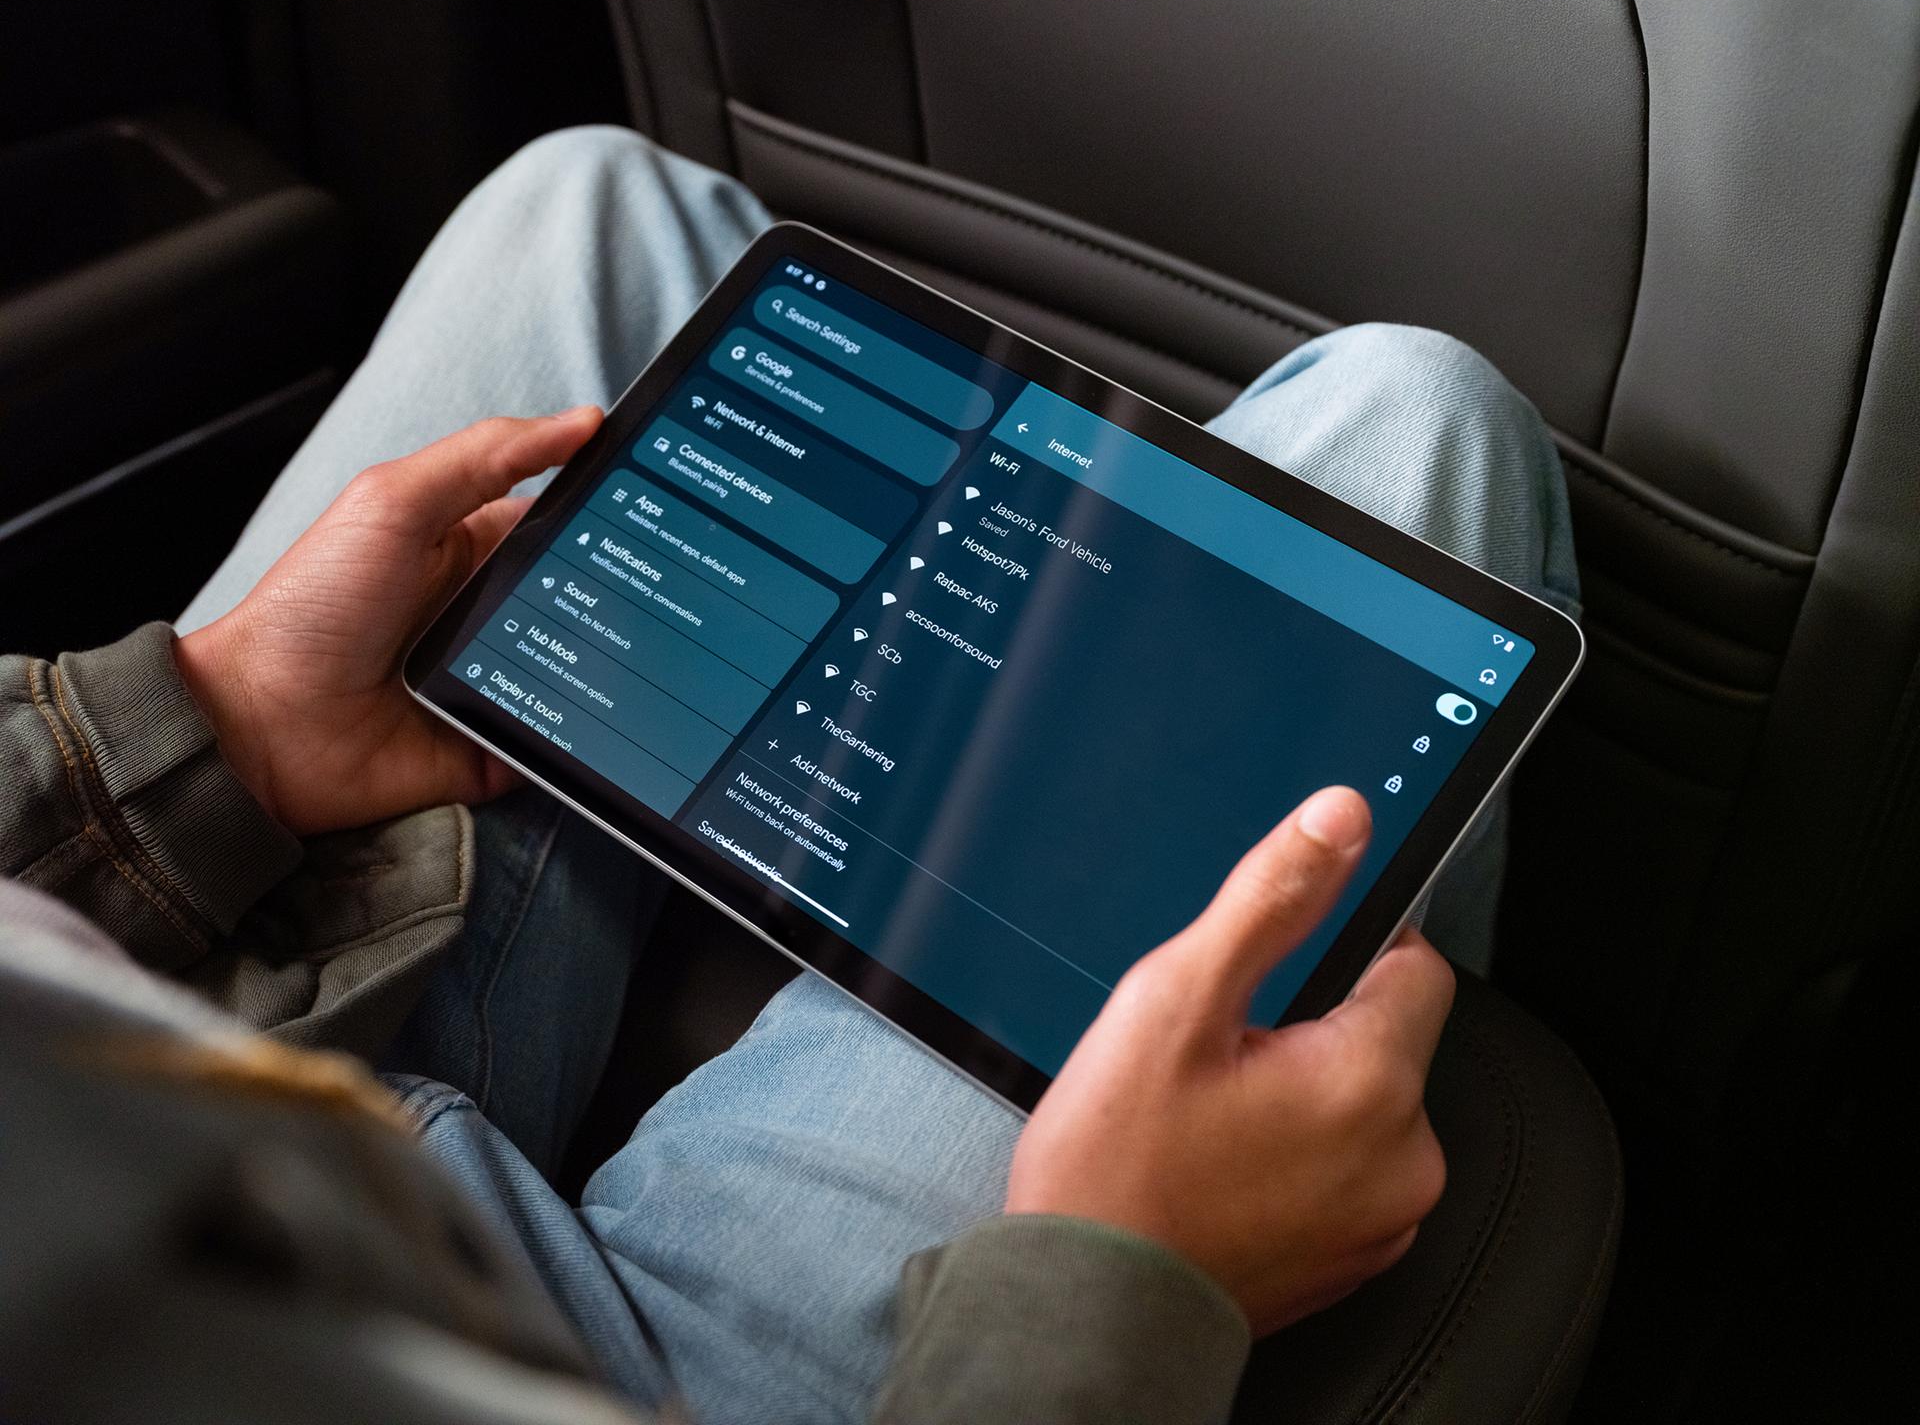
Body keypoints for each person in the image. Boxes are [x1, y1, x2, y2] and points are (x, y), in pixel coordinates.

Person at [0, 128, 1577, 1425]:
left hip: (176, 1023)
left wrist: (182, 737)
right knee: (1417, 416)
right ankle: (1353, 1084)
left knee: (593, 204)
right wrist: (1116, 1279)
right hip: (540, 1371)